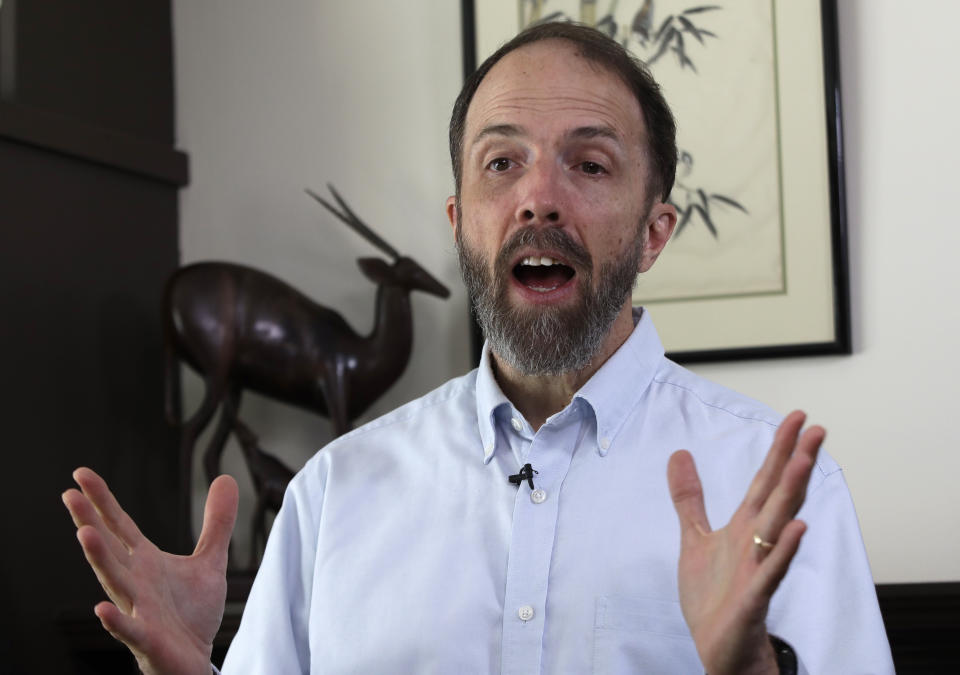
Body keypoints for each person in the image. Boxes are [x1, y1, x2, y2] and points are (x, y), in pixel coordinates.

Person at [63, 22, 893, 674]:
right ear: (461, 226)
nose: (539, 197)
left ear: (654, 232)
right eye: (502, 162)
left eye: (591, 165)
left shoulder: (777, 484)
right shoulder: (333, 494)